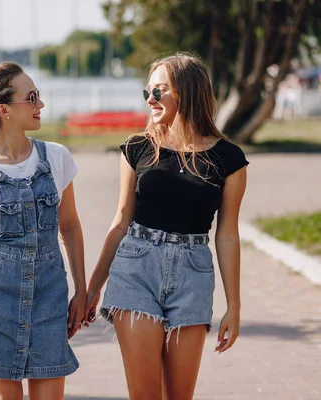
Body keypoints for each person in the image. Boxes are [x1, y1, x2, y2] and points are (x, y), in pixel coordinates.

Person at [84, 52, 249, 399]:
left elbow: (228, 234)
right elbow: (120, 221)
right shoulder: (137, 148)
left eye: (159, 91)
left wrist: (233, 306)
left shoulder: (228, 159)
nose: (150, 99)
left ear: (186, 93)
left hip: (192, 275)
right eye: (148, 91)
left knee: (178, 395)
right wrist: (93, 287)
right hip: (136, 270)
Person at [0, 61, 86, 400]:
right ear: (4, 111)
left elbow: (69, 228)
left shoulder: (57, 158)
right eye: (33, 98)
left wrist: (81, 291)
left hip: (50, 304)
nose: (41, 105)